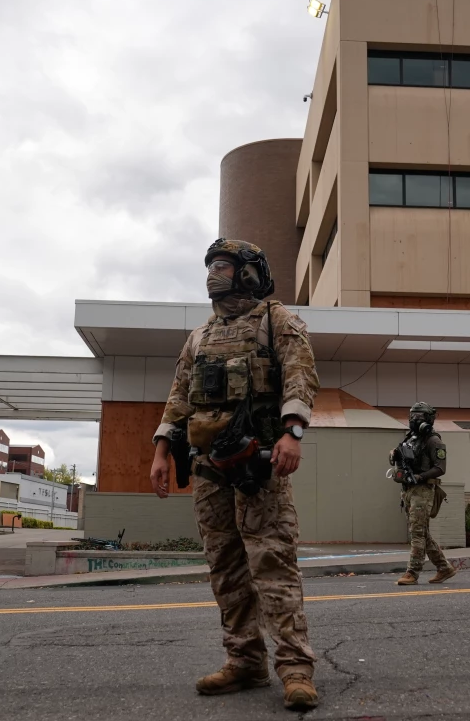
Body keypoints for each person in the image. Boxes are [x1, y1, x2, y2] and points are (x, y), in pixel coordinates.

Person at [149, 239, 320, 711]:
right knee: (225, 568)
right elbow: (179, 393)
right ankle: (244, 661)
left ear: (248, 271)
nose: (212, 274)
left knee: (272, 563)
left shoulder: (276, 320)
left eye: (222, 265)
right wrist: (163, 449)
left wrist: (293, 433)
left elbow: (301, 374)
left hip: (260, 463)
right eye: (210, 266)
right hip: (208, 470)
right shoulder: (200, 336)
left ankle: (296, 669)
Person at [391, 402, 457, 585]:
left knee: (417, 533)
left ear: (428, 419)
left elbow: (440, 468)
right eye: (412, 416)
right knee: (422, 532)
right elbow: (400, 456)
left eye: (419, 417)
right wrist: (395, 455)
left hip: (423, 491)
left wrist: (420, 477)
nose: (415, 420)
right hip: (408, 490)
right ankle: (444, 568)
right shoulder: (411, 438)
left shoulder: (433, 440)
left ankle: (412, 573)